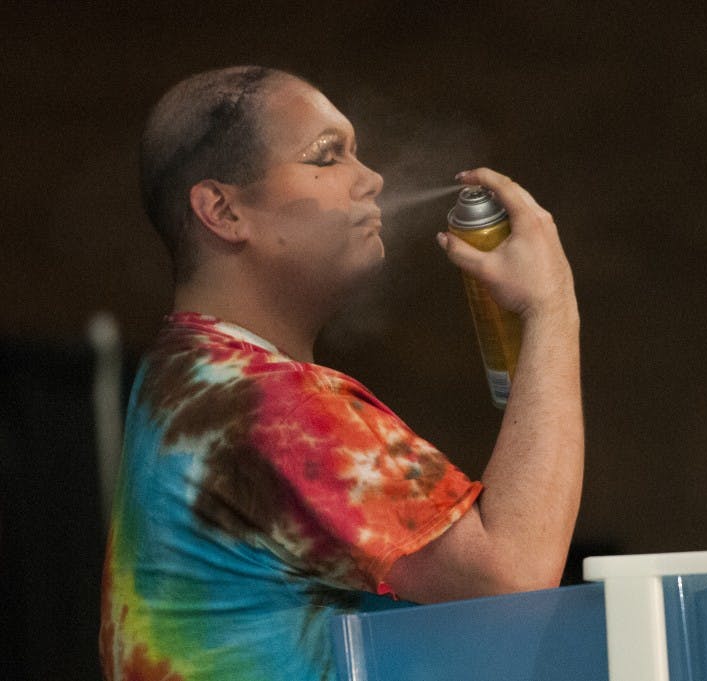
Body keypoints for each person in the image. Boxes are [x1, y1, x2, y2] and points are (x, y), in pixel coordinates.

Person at [99, 66, 583, 680]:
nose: (373, 179)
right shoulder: (270, 405)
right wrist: (551, 305)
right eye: (327, 157)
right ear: (222, 210)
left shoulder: (182, 374)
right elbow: (511, 576)